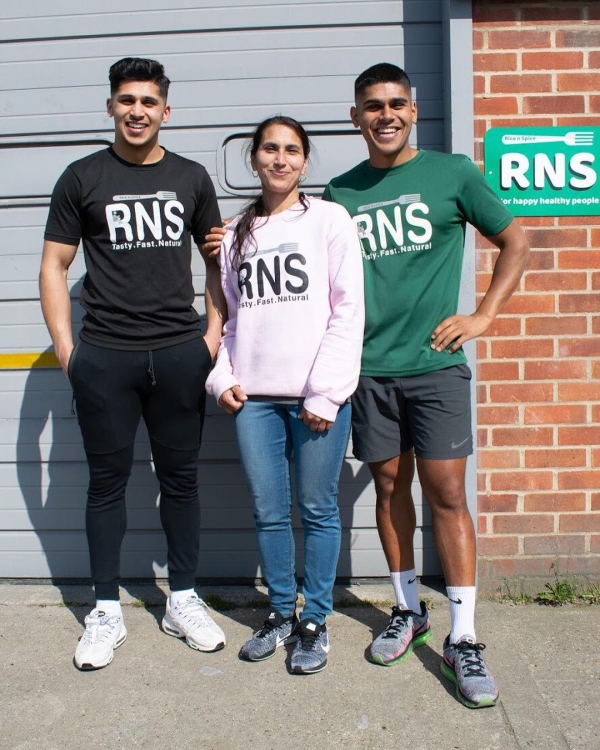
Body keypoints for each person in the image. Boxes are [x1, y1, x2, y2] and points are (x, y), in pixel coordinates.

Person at [322, 63, 529, 707]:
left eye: (396, 104)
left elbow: (515, 242)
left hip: (436, 367)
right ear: (355, 117)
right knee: (389, 487)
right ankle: (408, 610)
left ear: (413, 111)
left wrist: (483, 316)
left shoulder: (453, 173)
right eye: (372, 106)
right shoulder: (339, 191)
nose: (385, 115)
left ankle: (463, 636)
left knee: (446, 493)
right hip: (370, 370)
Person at [40, 57, 227, 670]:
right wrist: (67, 350)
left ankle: (184, 599)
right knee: (106, 483)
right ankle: (105, 609)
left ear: (166, 111)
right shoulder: (82, 177)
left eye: (148, 101)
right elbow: (54, 266)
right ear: (111, 107)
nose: (137, 111)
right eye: (126, 100)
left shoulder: (192, 177)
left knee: (181, 480)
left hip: (178, 354)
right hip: (106, 357)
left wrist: (212, 335)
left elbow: (217, 261)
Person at [205, 116, 364, 674]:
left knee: (318, 509)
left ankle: (314, 621)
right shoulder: (236, 233)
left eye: (292, 150)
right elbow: (229, 318)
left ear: (304, 160)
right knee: (269, 512)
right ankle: (279, 613)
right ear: (254, 158)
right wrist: (221, 378)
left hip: (316, 399)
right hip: (255, 403)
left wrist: (326, 393)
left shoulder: (329, 219)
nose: (280, 159)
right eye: (269, 149)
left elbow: (348, 309)